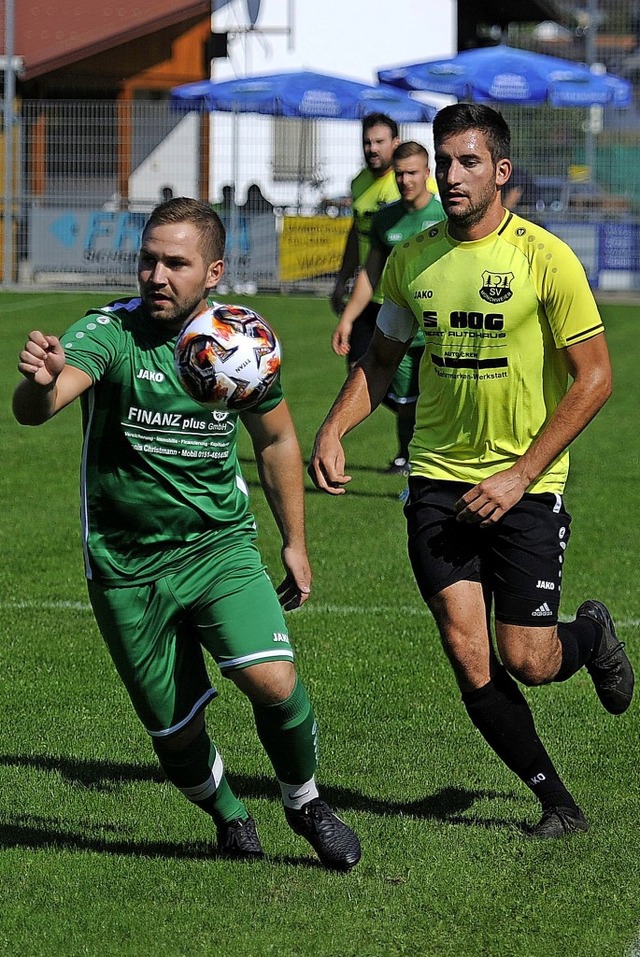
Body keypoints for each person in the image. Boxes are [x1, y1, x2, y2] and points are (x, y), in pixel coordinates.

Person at [309, 104, 634, 839]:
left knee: (530, 657)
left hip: (525, 485)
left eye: (467, 163)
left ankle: (590, 635)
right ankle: (557, 802)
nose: (452, 176)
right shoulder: (411, 257)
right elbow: (383, 357)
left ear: (500, 171)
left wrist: (520, 474)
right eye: (446, 163)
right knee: (466, 647)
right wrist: (333, 426)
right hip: (436, 480)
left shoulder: (546, 258)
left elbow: (595, 378)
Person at [12, 196, 361, 871]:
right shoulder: (109, 333)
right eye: (148, 259)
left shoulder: (239, 345)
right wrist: (43, 381)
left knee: (275, 681)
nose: (157, 275)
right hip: (126, 567)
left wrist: (295, 539)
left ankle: (305, 799)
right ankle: (230, 813)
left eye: (176, 263)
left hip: (217, 548)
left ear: (214, 272)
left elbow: (280, 437)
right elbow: (40, 406)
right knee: (175, 735)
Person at [332, 141, 444, 475]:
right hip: (398, 326)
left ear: (427, 173)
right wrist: (347, 320)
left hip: (441, 329)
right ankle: (411, 461)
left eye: (412, 173)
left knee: (439, 401)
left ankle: (435, 465)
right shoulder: (385, 219)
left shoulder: (444, 215)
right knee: (407, 403)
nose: (405, 181)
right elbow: (370, 273)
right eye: (399, 174)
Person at [329, 112, 401, 356]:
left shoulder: (407, 185)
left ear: (396, 143)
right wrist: (341, 280)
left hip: (398, 299)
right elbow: (355, 234)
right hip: (366, 294)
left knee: (395, 385)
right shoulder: (359, 182)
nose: (372, 149)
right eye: (367, 142)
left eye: (380, 142)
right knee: (356, 373)